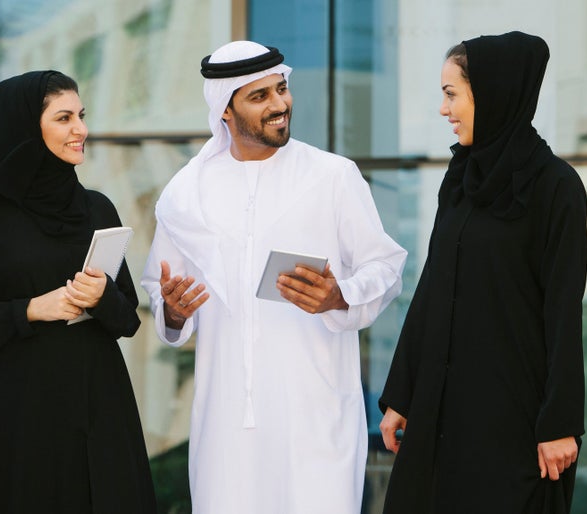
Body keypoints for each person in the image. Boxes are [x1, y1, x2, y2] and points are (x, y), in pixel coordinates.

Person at [141, 41, 407, 513]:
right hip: (225, 427)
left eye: (281, 89)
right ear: (225, 110)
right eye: (259, 96)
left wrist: (339, 296)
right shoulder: (188, 192)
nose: (279, 104)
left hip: (315, 417)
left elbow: (385, 267)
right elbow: (160, 292)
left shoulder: (332, 176)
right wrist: (176, 314)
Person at [378, 31, 587, 514]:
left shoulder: (556, 188)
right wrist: (403, 393)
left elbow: (563, 310)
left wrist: (560, 421)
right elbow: (432, 287)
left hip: (513, 414)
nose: (443, 109)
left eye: (452, 94)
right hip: (442, 407)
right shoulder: (462, 177)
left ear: (492, 93)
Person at [0, 70, 156, 514]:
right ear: (26, 128)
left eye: (80, 115)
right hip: (19, 412)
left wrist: (101, 298)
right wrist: (31, 310)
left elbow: (128, 320)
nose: (80, 129)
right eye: (64, 118)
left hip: (99, 403)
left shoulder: (96, 207)